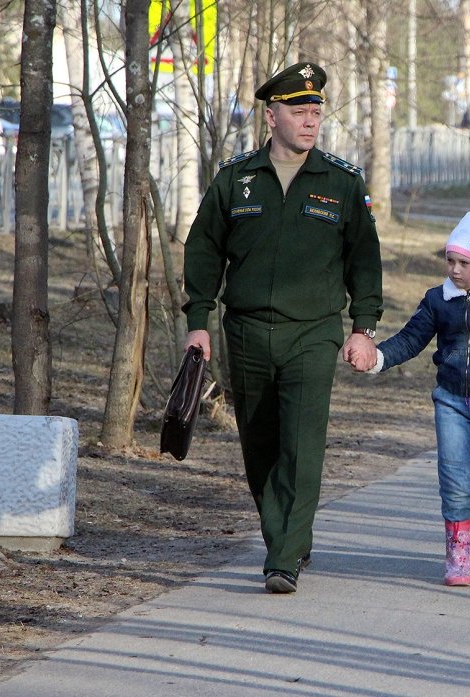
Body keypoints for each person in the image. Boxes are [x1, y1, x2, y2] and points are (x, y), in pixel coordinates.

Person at [181, 62, 383, 594]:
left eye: (316, 111)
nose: (310, 120)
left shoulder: (341, 181)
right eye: (299, 111)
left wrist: (363, 327)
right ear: (272, 116)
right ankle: (289, 535)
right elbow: (203, 250)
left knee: (302, 443)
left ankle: (284, 556)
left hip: (314, 332)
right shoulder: (236, 179)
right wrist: (198, 321)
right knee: (260, 446)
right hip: (245, 330)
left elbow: (365, 260)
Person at [359, 210, 470, 586]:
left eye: (465, 262)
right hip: (451, 403)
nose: (455, 270)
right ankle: (458, 553)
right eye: (450, 260)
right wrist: (376, 358)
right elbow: (410, 340)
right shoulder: (437, 300)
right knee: (456, 481)